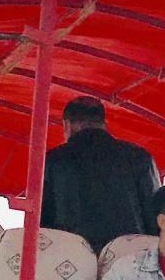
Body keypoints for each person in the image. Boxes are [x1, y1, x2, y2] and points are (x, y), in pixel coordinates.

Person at [40, 96, 159, 253]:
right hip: (128, 254)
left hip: (72, 255)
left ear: (67, 125)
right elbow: (153, 215)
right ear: (103, 123)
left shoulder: (53, 160)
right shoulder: (139, 157)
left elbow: (43, 222)